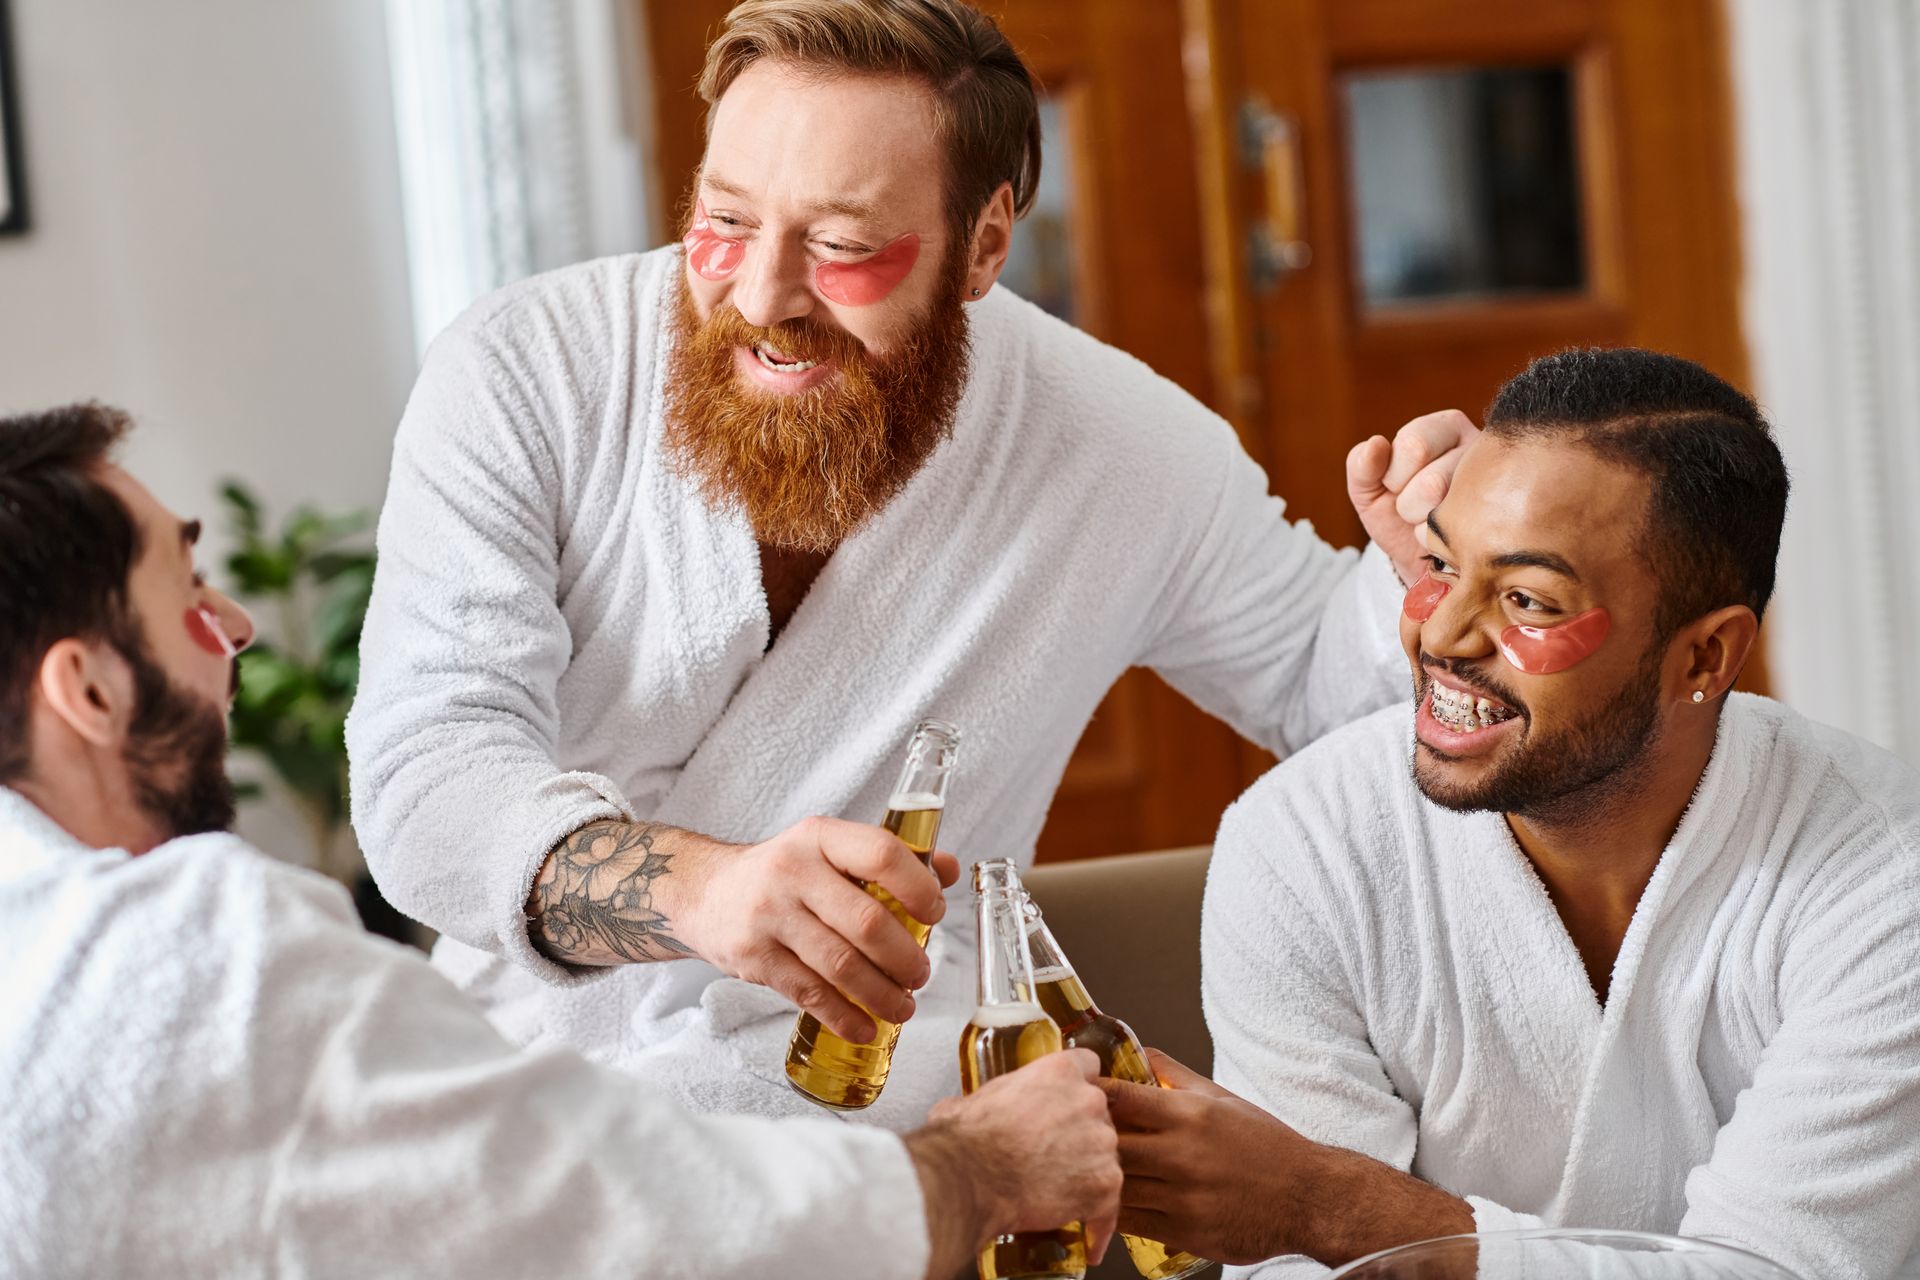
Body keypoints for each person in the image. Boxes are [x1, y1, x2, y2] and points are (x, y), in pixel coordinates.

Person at [346, 0, 1474, 1129]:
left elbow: (1322, 683)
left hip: (897, 1129)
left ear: (985, 243)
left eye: (841, 246)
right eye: (725, 218)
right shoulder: (527, 370)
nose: (760, 294)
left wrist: (1435, 562)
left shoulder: (1122, 446)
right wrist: (702, 890)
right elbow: (428, 776)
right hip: (525, 1097)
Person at [0, 403, 1124, 1279]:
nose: (239, 627)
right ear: (88, 686)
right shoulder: (183, 965)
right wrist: (988, 1166)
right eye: (188, 587)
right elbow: (647, 1227)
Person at [1099, 349, 1920, 1280]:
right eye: (1441, 564)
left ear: (1704, 658)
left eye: (1526, 599)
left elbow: (1774, 1274)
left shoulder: (1884, 880)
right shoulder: (1300, 845)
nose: (1440, 636)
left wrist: (1330, 1205)